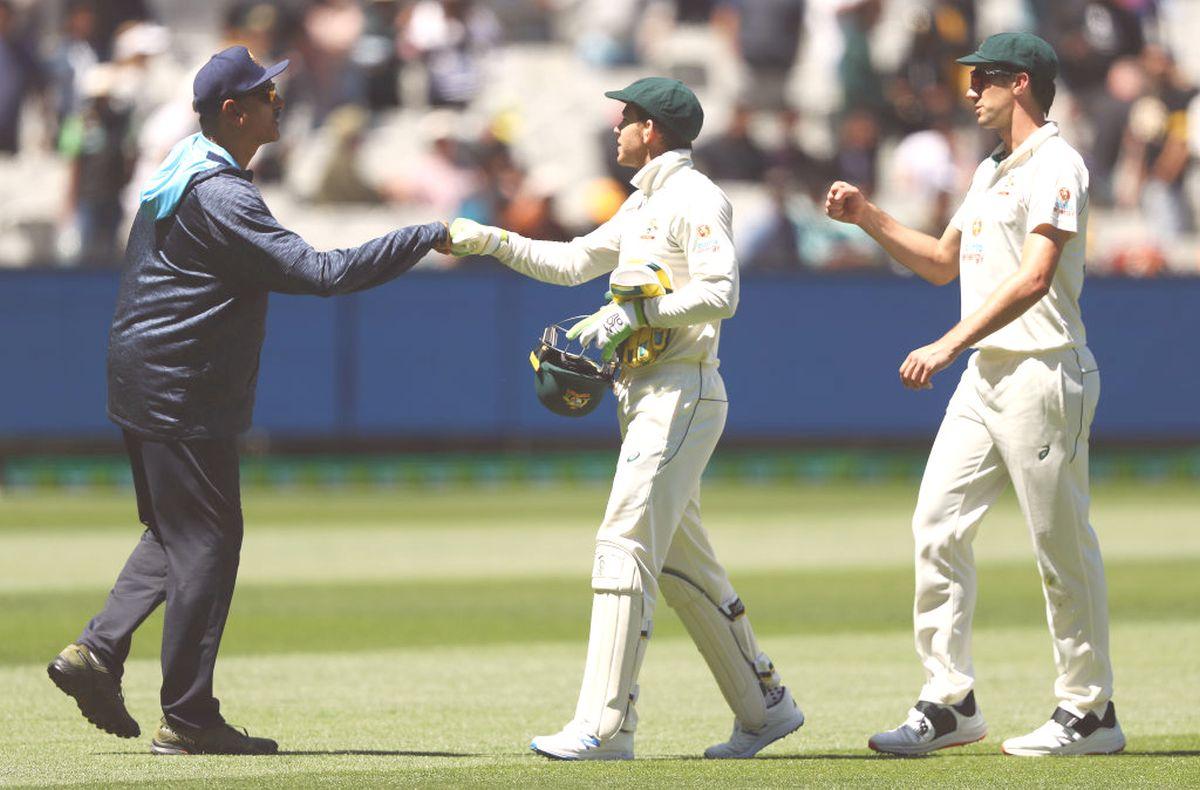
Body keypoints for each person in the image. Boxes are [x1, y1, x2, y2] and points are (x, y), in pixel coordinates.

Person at [46, 45, 448, 755]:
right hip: (181, 390)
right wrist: (428, 234)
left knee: (175, 534)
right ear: (234, 112)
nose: (278, 102)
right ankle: (190, 718)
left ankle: (97, 653)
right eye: (266, 94)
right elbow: (322, 273)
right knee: (208, 540)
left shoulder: (185, 168)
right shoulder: (222, 194)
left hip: (146, 379)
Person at [448, 77, 804, 761]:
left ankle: (606, 727)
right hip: (645, 393)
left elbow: (722, 293)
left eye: (627, 118)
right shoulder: (645, 202)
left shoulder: (698, 198)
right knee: (679, 566)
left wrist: (637, 312)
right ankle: (766, 707)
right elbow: (574, 261)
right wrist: (491, 239)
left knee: (622, 544)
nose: (616, 128)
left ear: (657, 130)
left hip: (684, 390)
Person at [825, 32, 1124, 757]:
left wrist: (948, 341)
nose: (969, 91)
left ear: (1021, 82)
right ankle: (950, 700)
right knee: (936, 524)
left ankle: (1090, 712)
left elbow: (1035, 277)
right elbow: (940, 262)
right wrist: (869, 215)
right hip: (986, 376)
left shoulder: (1057, 163)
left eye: (982, 78)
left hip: (1044, 372)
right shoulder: (991, 169)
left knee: (1058, 545)